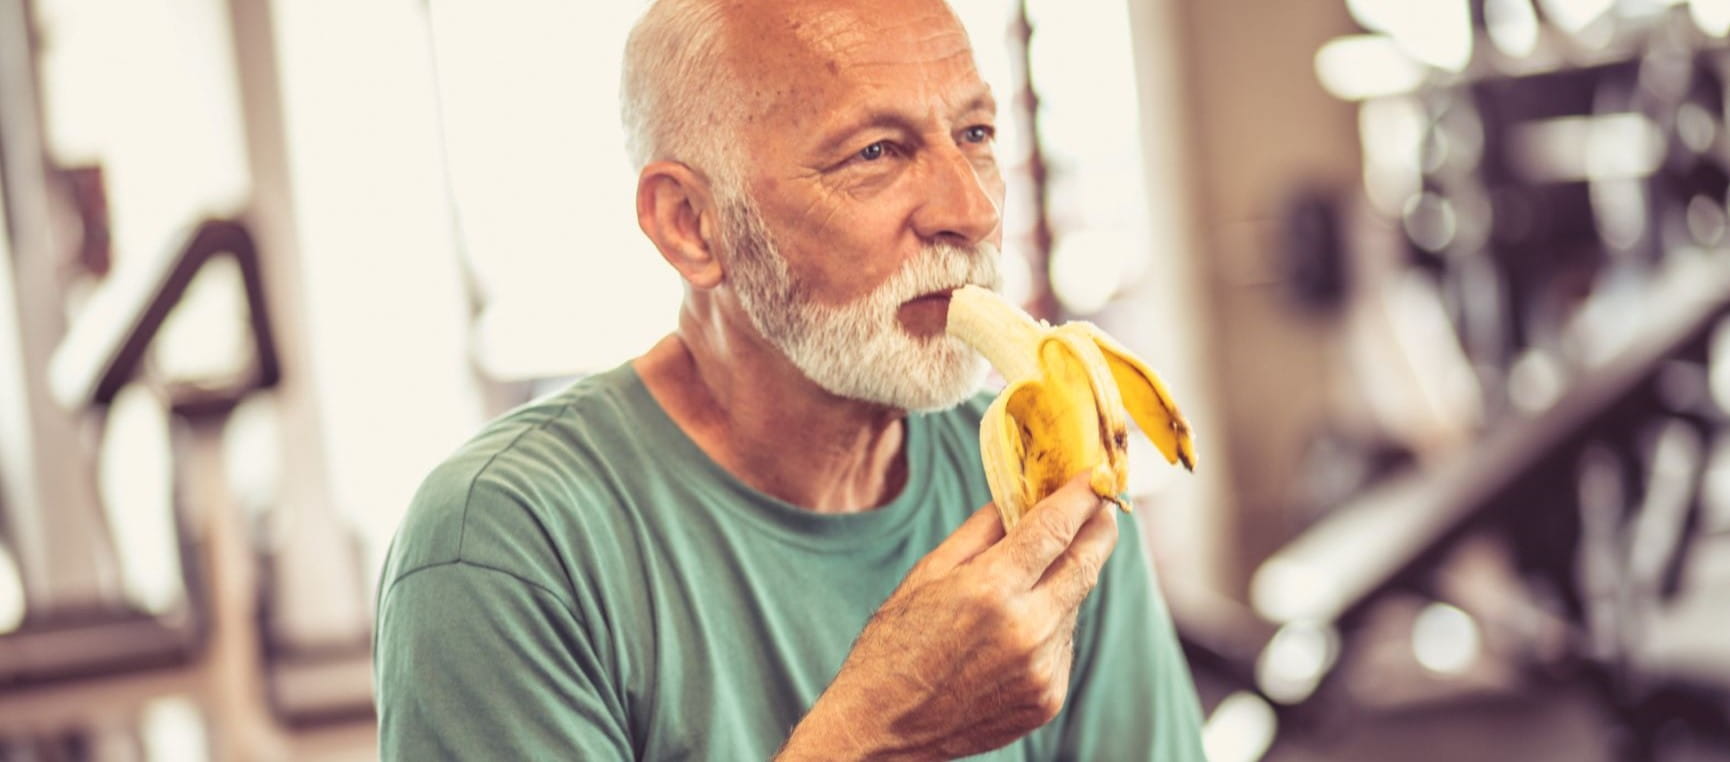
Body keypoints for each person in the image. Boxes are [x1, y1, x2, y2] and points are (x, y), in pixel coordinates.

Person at [371, 0, 1208, 758]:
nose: (973, 209)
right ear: (690, 225)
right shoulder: (500, 549)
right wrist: (872, 735)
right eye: (875, 151)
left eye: (976, 134)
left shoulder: (1049, 491)